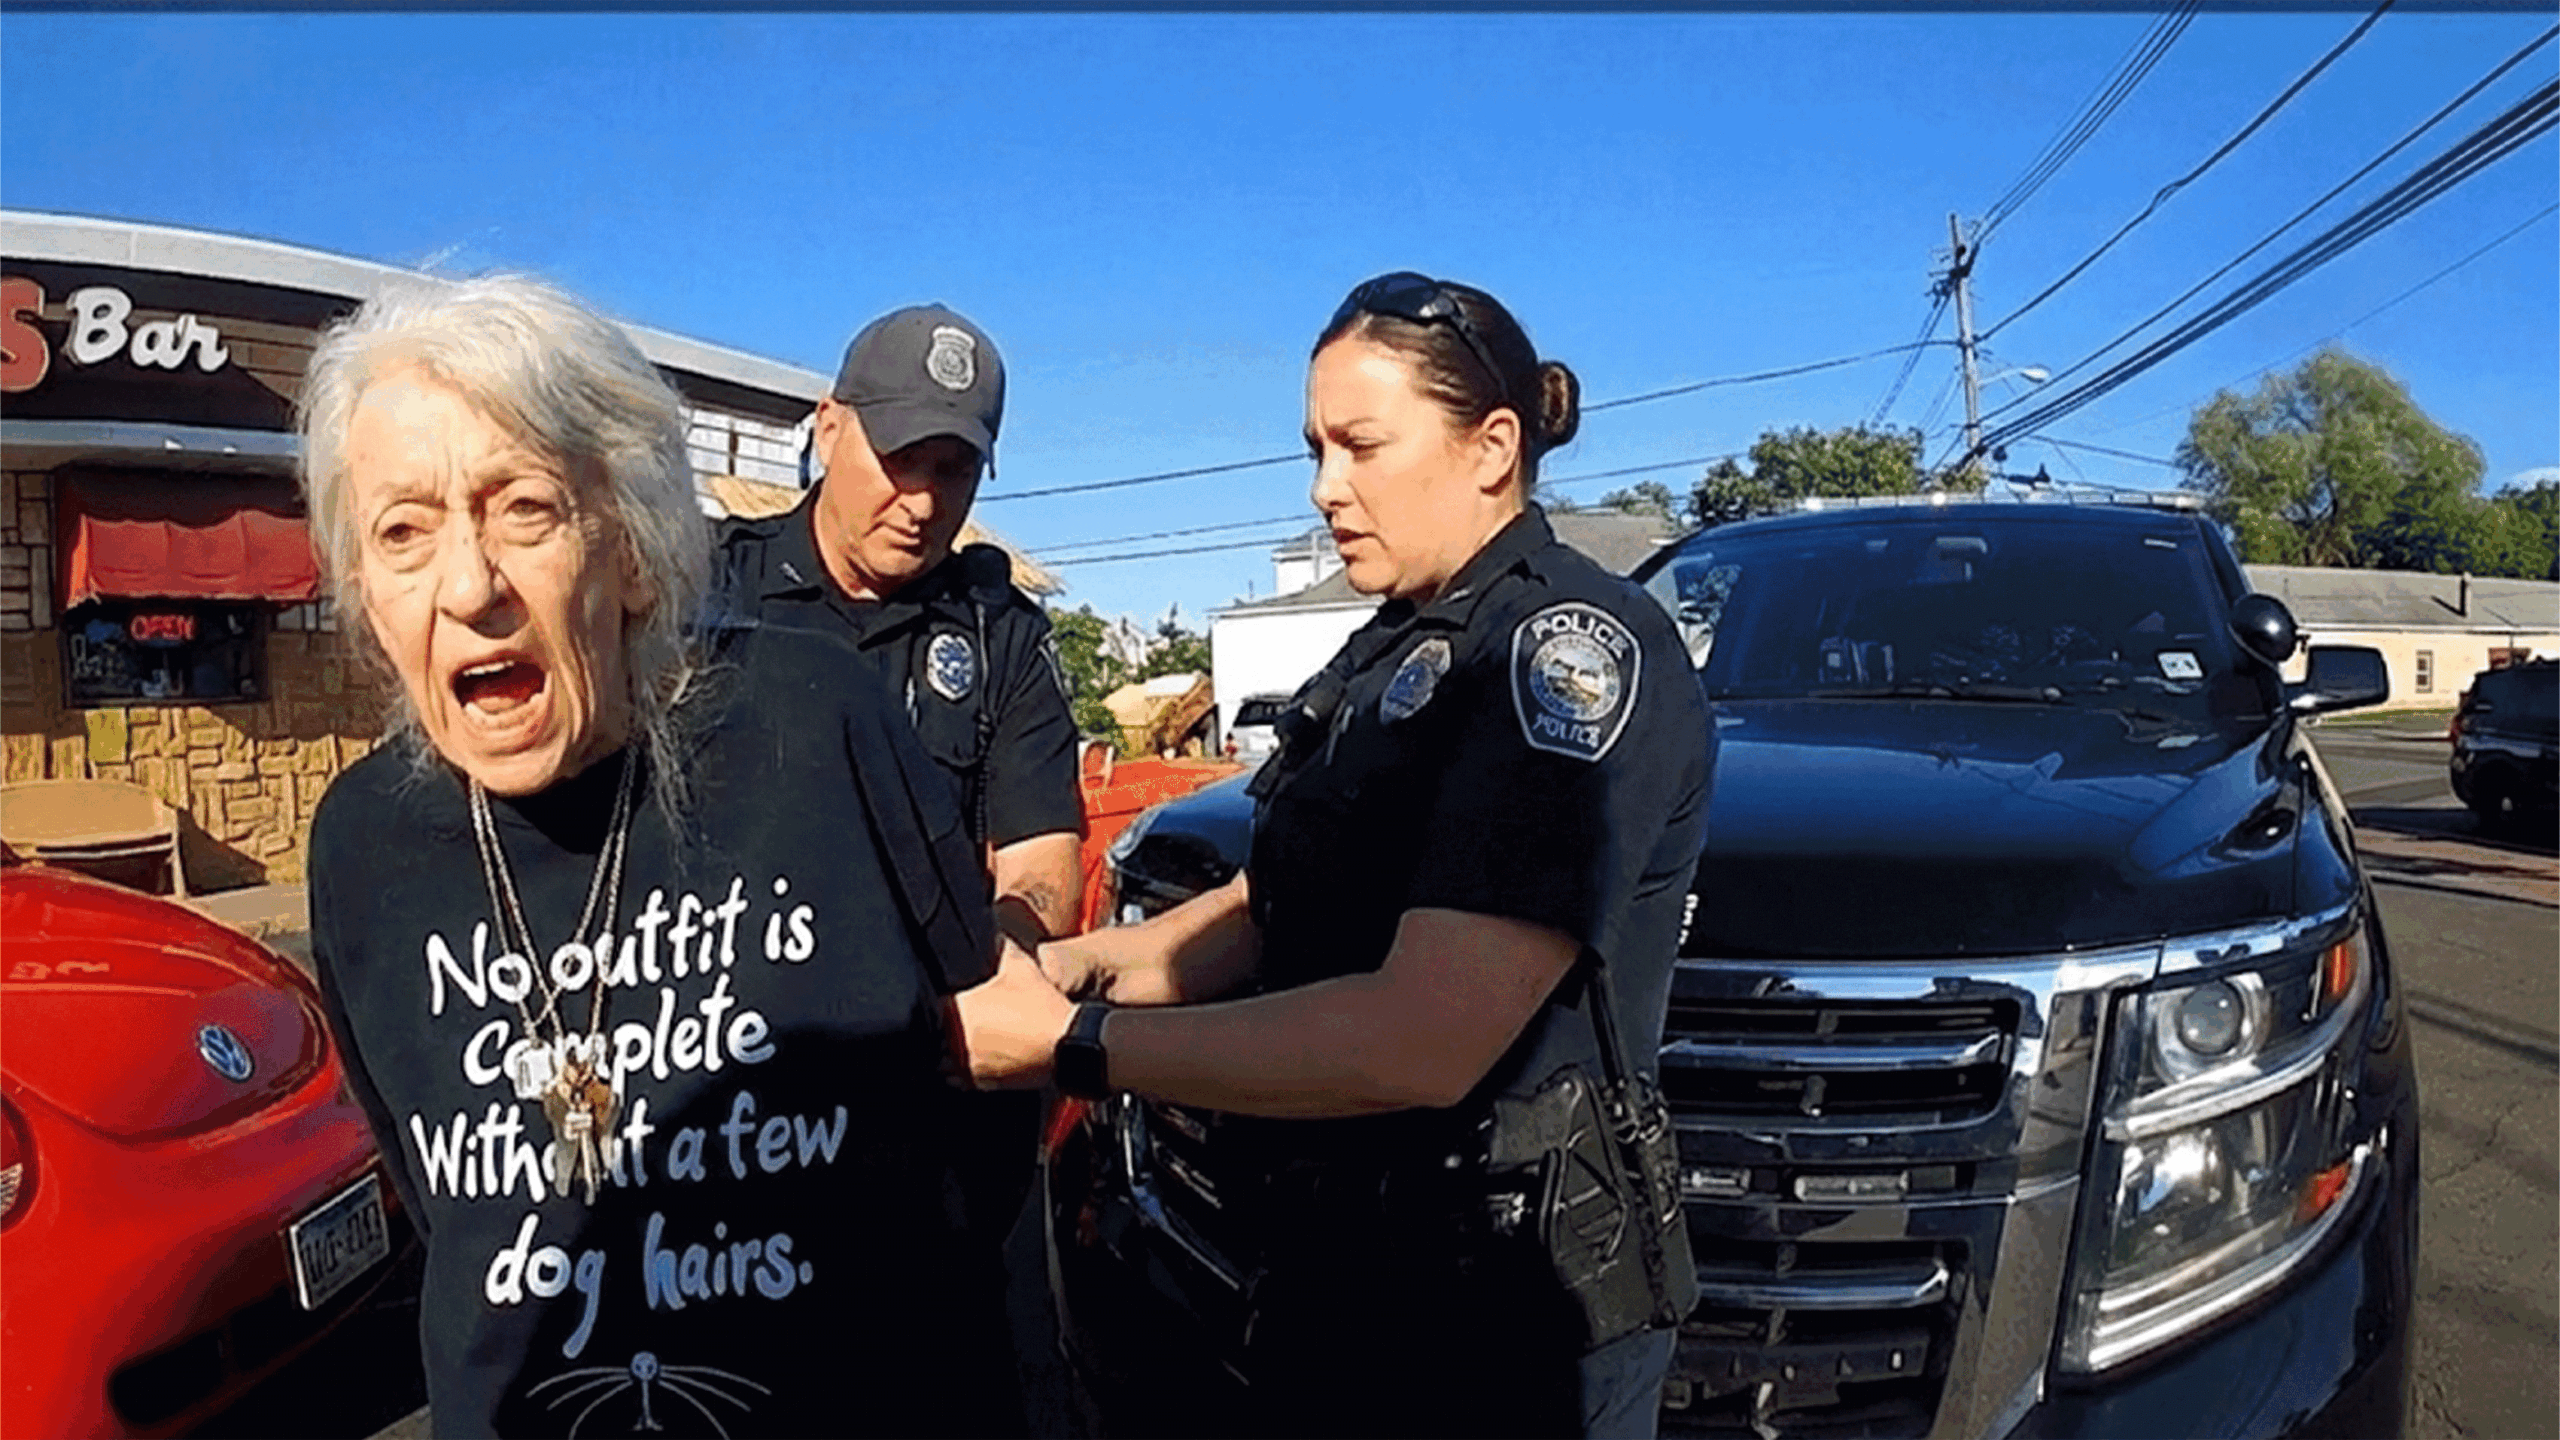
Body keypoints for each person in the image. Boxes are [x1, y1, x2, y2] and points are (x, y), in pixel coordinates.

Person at [296, 275, 1060, 1437]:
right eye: (403, 533)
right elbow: (431, 1186)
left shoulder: (816, 717)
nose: (470, 587)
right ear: (364, 595)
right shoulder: (360, 843)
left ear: (633, 552)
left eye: (526, 511)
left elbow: (971, 1033)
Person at [986, 272, 1713, 1437]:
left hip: (1496, 1319)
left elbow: (1426, 1036)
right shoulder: (1391, 655)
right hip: (1338, 1267)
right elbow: (1272, 908)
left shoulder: (1563, 654)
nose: (1327, 488)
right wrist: (1084, 965)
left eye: (1362, 446)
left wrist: (1077, 1048)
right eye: (1316, 448)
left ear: (1491, 448)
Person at [710, 304, 1082, 947]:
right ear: (828, 430)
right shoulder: (707, 590)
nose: (923, 502)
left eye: (953, 470)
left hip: (930, 1014)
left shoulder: (1001, 635)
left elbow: (1042, 863)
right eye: (900, 458)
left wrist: (998, 963)